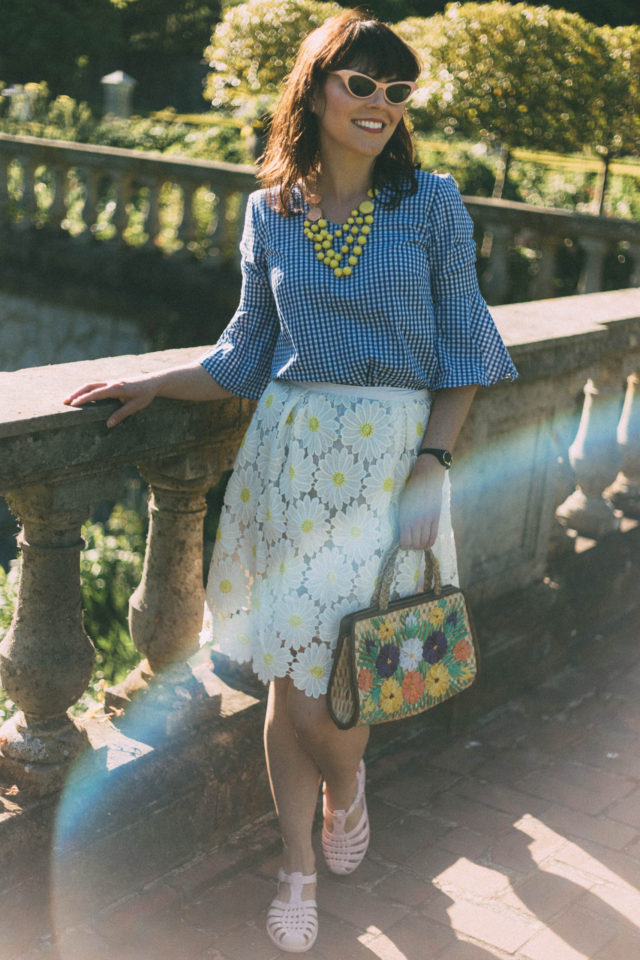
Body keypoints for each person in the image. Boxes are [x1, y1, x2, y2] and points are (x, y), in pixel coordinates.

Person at [65, 11, 517, 953]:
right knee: (285, 677)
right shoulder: (269, 210)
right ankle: (296, 867)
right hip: (285, 458)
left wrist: (433, 465)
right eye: (362, 85)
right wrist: (153, 382)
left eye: (398, 91)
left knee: (331, 681)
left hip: (387, 458)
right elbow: (244, 355)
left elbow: (468, 348)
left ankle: (349, 791)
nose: (381, 105)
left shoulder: (431, 203)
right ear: (314, 88)